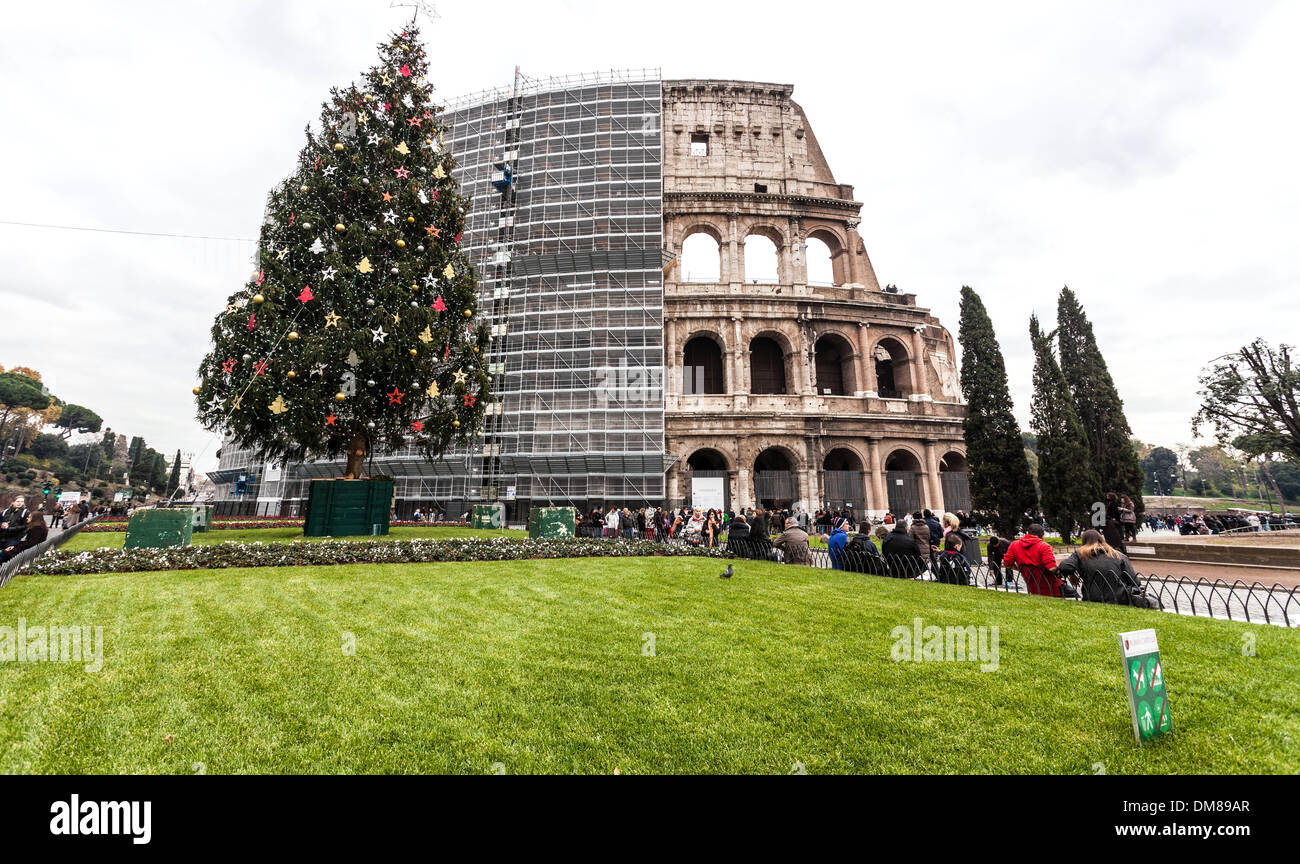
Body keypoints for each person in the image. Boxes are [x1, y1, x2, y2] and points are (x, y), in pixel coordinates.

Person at [1057, 529, 1154, 607]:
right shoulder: (1118, 555)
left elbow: (1064, 567)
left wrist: (1072, 574)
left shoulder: (1080, 554)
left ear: (1084, 541)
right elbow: (1135, 582)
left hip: (1093, 598)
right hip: (1121, 598)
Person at [1002, 524, 1063, 596]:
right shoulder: (1044, 546)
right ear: (1043, 536)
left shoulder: (1014, 545)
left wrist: (1020, 569)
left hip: (1031, 584)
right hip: (1051, 585)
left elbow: (1007, 563)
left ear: (1027, 533)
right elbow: (1051, 568)